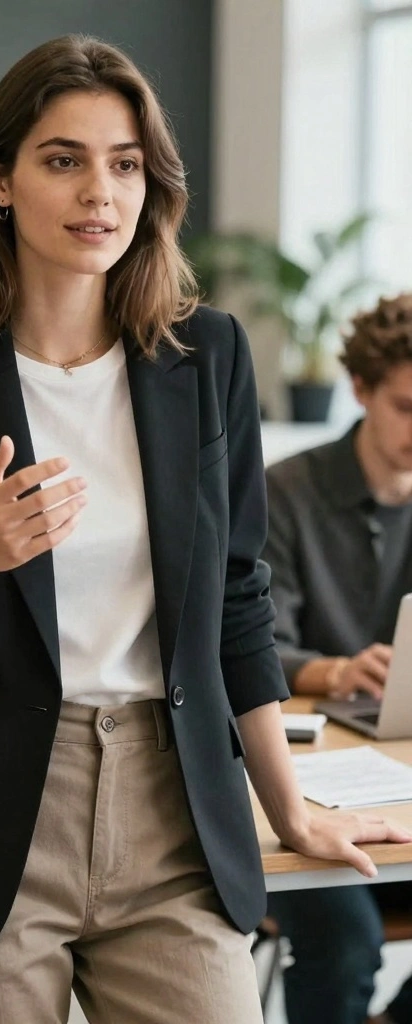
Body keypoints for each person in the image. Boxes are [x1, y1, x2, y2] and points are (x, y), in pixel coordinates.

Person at [0, 36, 410, 1024]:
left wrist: (288, 809)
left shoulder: (205, 355)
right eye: (63, 159)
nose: (99, 190)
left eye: (125, 162)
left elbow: (235, 601)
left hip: (172, 809)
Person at [265, 292, 412, 1024]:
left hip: (403, 787)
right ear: (360, 390)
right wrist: (336, 672)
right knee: (347, 945)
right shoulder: (287, 491)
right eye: (408, 406)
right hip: (302, 794)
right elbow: (251, 645)